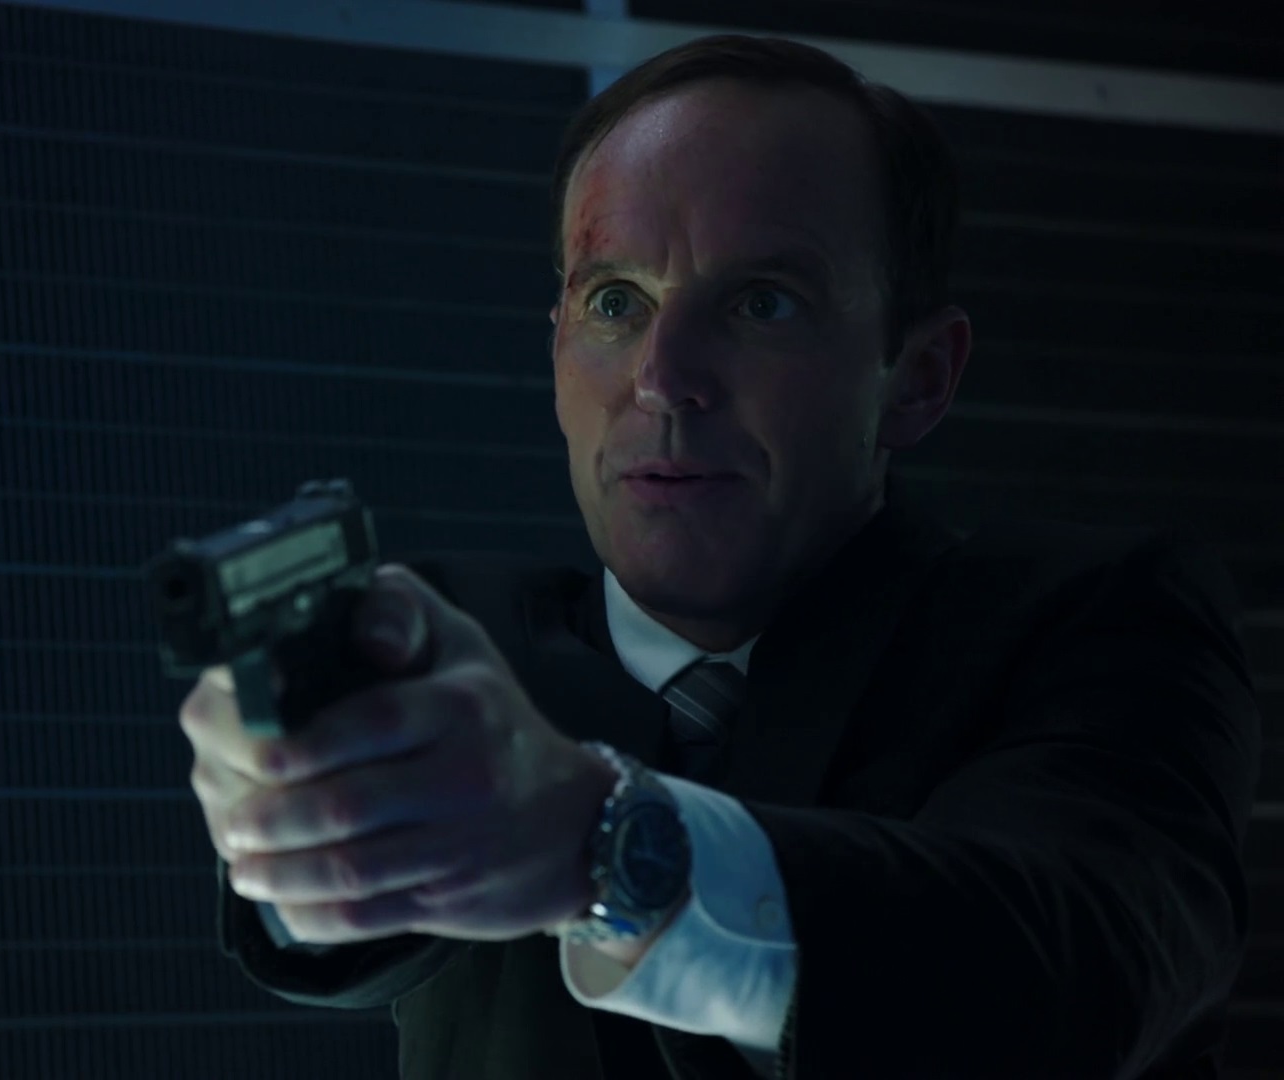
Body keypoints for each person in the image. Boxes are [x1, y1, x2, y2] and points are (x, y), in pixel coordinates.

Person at [176, 34, 1260, 1080]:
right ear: (555, 348)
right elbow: (344, 940)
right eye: (615, 303)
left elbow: (1066, 976)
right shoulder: (464, 643)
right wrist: (304, 819)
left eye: (760, 303)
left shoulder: (1103, 628)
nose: (663, 378)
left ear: (919, 376)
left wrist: (596, 845)